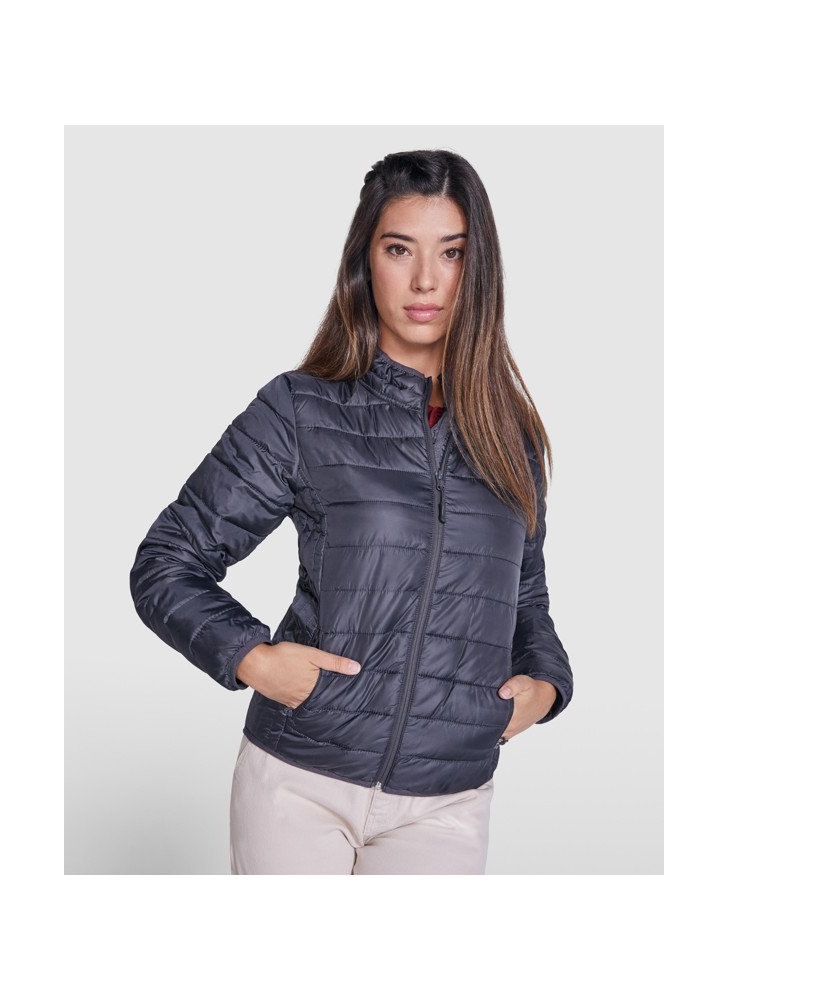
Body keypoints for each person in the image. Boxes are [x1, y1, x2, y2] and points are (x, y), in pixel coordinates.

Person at [129, 149, 574, 875]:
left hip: (448, 797)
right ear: (366, 263)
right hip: (301, 781)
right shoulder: (302, 409)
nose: (425, 280)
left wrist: (547, 687)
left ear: (479, 270)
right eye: (400, 250)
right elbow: (167, 562)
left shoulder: (509, 435)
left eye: (452, 253)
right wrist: (254, 660)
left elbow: (525, 598)